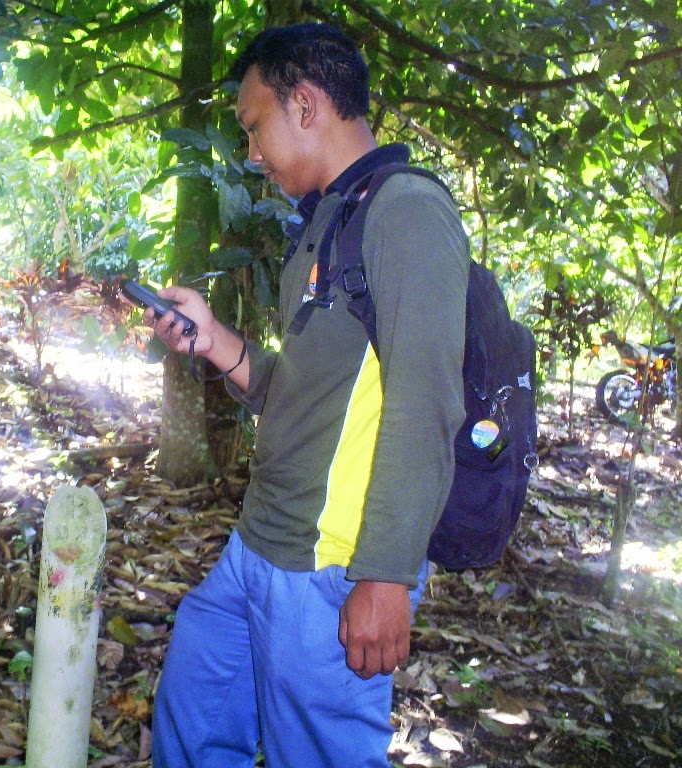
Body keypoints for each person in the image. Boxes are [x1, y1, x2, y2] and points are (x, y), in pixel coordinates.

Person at [142, 22, 471, 768]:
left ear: (306, 104)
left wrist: (385, 576)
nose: (251, 154)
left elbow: (426, 404)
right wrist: (212, 338)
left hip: (331, 566)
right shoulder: (330, 219)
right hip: (260, 542)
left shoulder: (408, 213)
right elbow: (300, 394)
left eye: (254, 126)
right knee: (193, 718)